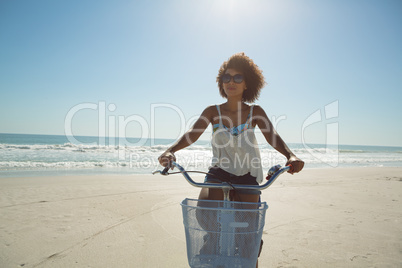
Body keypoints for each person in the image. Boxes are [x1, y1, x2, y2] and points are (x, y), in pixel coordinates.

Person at [158, 52, 304, 266]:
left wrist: (290, 155)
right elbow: (192, 133)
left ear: (247, 84)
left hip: (247, 173)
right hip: (219, 172)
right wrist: (171, 150)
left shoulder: (255, 112)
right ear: (221, 83)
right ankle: (213, 243)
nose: (231, 82)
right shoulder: (213, 111)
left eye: (238, 77)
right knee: (204, 214)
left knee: (247, 235)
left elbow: (272, 136)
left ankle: (250, 250)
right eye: (227, 78)